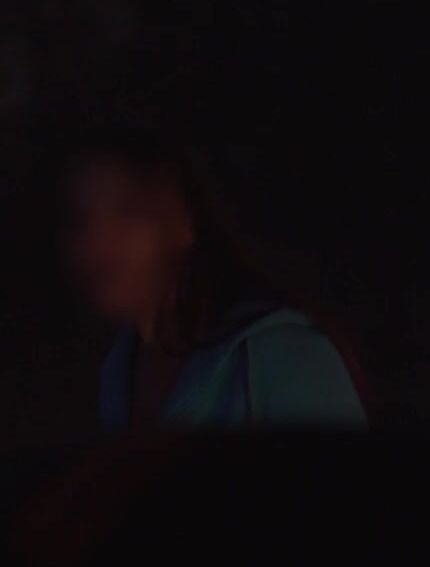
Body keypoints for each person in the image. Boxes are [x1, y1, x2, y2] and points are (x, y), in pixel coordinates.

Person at [54, 124, 369, 430]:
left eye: (128, 211)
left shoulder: (281, 355)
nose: (92, 244)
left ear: (187, 220)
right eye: (79, 219)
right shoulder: (117, 369)